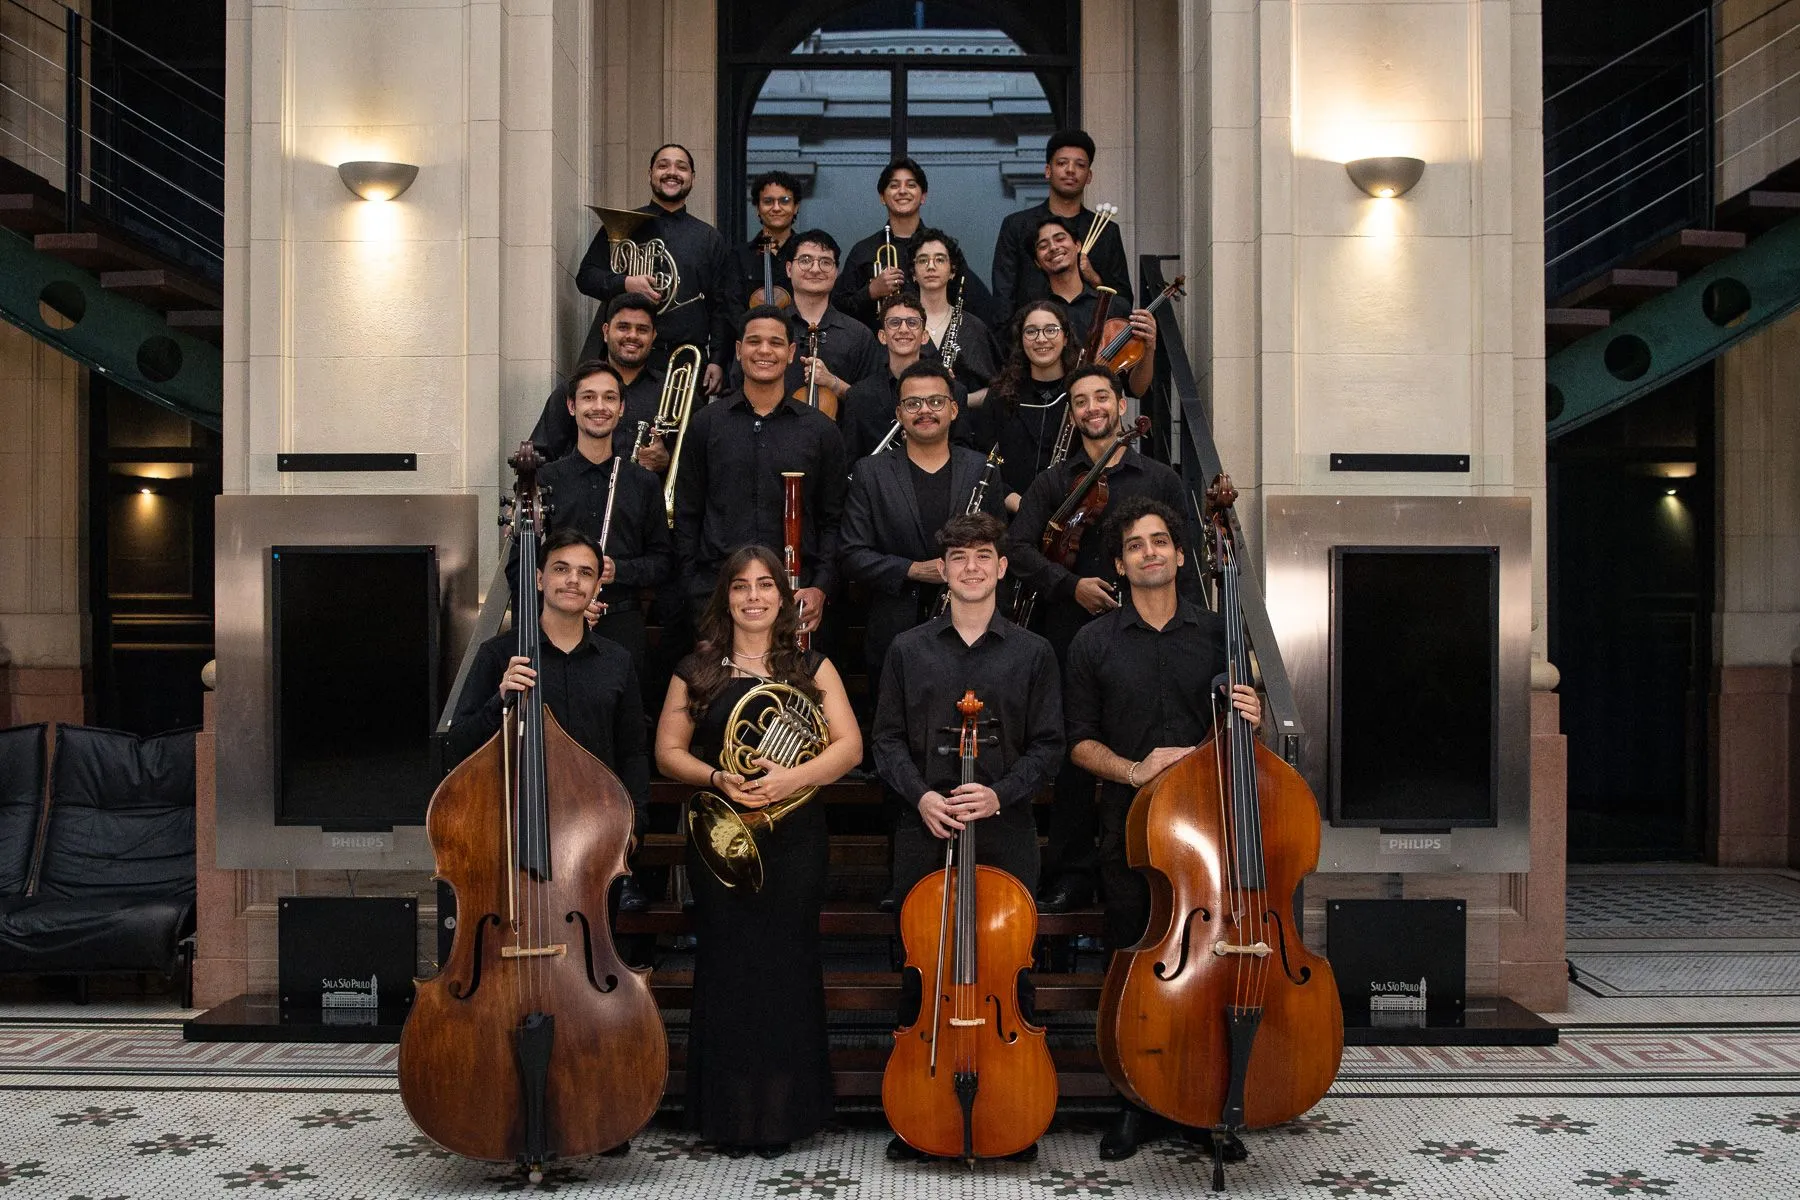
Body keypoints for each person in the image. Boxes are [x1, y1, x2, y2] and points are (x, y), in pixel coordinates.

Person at [1063, 495, 1261, 1161]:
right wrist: (1132, 769)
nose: (1149, 552)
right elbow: (1078, 743)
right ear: (1118, 565)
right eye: (1135, 545)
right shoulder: (1093, 642)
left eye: (1159, 541)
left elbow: (1240, 728)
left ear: (1180, 554)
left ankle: (1203, 1103)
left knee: (1208, 970)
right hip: (1131, 829)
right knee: (1133, 968)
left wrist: (1250, 710)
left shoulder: (1217, 635)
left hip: (1209, 831)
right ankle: (1134, 1103)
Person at [654, 546, 863, 1157]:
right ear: (726, 598)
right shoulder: (697, 669)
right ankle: (730, 1116)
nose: (753, 596)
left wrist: (790, 780)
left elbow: (849, 747)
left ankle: (781, 1116)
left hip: (793, 839)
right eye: (741, 586)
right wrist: (719, 778)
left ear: (782, 595)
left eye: (765, 585)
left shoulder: (809, 665)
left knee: (785, 971)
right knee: (728, 970)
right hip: (720, 837)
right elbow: (668, 751)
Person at [871, 511, 1063, 1161]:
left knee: (1011, 966)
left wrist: (1000, 792)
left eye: (984, 556)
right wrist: (921, 795)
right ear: (944, 571)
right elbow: (887, 739)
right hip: (924, 827)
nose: (972, 567)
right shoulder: (909, 649)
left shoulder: (1033, 653)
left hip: (1005, 832)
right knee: (919, 968)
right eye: (959, 558)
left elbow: (1048, 746)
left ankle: (1013, 1103)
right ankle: (920, 1109)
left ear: (1003, 567)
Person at [1005, 365, 1192, 912]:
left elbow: (1184, 553)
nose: (1092, 407)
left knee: (1139, 741)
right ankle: (1071, 871)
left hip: (1147, 630)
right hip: (1071, 628)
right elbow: (1017, 549)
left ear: (1120, 406)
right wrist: (1070, 585)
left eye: (1102, 397)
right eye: (1081, 400)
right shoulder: (1052, 482)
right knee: (1073, 749)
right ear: (1073, 413)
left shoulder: (1158, 478)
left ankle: (1151, 859)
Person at [446, 527, 649, 848]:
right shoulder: (498, 654)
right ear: (539, 579)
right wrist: (499, 701)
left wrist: (634, 829)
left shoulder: (617, 661)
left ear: (597, 586)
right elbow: (457, 746)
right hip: (511, 834)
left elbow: (633, 753)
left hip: (594, 834)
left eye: (585, 573)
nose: (572, 580)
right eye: (561, 568)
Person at [671, 306, 848, 634]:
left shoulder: (821, 431)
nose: (764, 350)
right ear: (738, 350)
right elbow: (687, 513)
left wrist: (821, 586)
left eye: (776, 343)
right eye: (754, 342)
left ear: (791, 353)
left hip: (795, 595)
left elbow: (832, 519)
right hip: (717, 594)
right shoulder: (706, 424)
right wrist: (695, 587)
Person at [509, 360, 673, 695]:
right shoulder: (546, 479)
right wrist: (564, 599)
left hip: (622, 625)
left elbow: (663, 561)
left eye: (609, 398)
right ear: (571, 406)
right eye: (588, 398)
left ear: (622, 408)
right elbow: (520, 565)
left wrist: (619, 570)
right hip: (555, 626)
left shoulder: (642, 483)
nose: (599, 407)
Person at [840, 361, 1008, 686]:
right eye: (913, 403)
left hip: (970, 628)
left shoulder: (980, 469)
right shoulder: (870, 472)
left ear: (954, 409)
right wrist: (914, 569)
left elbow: (999, 547)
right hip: (894, 631)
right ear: (900, 414)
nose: (925, 411)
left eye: (936, 401)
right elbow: (851, 554)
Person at [576, 143, 742, 394]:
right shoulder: (622, 223)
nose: (672, 172)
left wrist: (718, 359)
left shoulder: (709, 238)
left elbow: (720, 305)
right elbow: (586, 277)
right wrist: (626, 283)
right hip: (625, 354)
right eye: (663, 165)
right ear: (650, 174)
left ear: (692, 178)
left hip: (684, 360)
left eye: (681, 167)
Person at [834, 158, 999, 331]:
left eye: (911, 185)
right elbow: (838, 309)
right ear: (882, 197)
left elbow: (978, 304)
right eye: (894, 185)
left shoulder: (942, 249)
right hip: (880, 352)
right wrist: (870, 292)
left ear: (923, 196)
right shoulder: (864, 251)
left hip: (935, 350)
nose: (903, 191)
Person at [991, 129, 1132, 324]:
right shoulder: (1017, 226)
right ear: (1048, 170)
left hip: (1091, 342)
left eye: (1080, 165)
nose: (1070, 170)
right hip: (1032, 341)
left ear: (1089, 176)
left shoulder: (1106, 231)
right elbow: (1003, 298)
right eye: (1062, 163)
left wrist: (1094, 278)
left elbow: (1124, 302)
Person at [529, 294, 670, 470]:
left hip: (648, 496)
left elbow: (696, 463)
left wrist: (667, 461)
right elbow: (538, 455)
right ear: (605, 331)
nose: (632, 336)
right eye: (623, 327)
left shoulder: (672, 391)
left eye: (642, 329)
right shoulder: (575, 388)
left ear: (653, 336)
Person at [1029, 218, 1158, 398]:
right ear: (1037, 261)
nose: (1053, 247)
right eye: (1043, 245)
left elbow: (1137, 389)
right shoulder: (1034, 315)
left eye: (1060, 239)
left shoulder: (1114, 306)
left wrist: (1150, 346)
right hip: (1052, 415)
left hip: (1102, 418)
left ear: (1078, 245)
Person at [973, 299, 1081, 512]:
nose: (1041, 339)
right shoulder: (999, 395)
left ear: (1066, 337)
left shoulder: (1080, 394)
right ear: (1021, 340)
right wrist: (1021, 505)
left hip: (1070, 517)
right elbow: (981, 459)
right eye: (1031, 332)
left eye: (1051, 330)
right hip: (1010, 517)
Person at [838, 292, 966, 463]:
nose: (904, 329)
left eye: (912, 323)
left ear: (925, 336)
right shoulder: (859, 395)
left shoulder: (954, 391)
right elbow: (851, 462)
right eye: (894, 323)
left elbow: (964, 455)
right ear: (882, 336)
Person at [766, 229, 880, 407]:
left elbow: (872, 406)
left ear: (836, 272)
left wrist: (834, 383)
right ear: (789, 269)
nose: (815, 269)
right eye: (805, 261)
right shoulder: (767, 328)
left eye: (825, 262)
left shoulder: (859, 336)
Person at [911, 227, 1000, 399]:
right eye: (922, 260)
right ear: (913, 273)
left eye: (940, 260)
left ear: (952, 271)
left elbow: (995, 389)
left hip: (965, 422)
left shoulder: (973, 327)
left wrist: (956, 400)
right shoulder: (902, 324)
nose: (931, 266)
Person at [738, 169, 805, 306]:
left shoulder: (807, 254)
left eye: (784, 201)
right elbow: (731, 308)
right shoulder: (739, 256)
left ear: (796, 207)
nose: (776, 208)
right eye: (768, 201)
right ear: (758, 208)